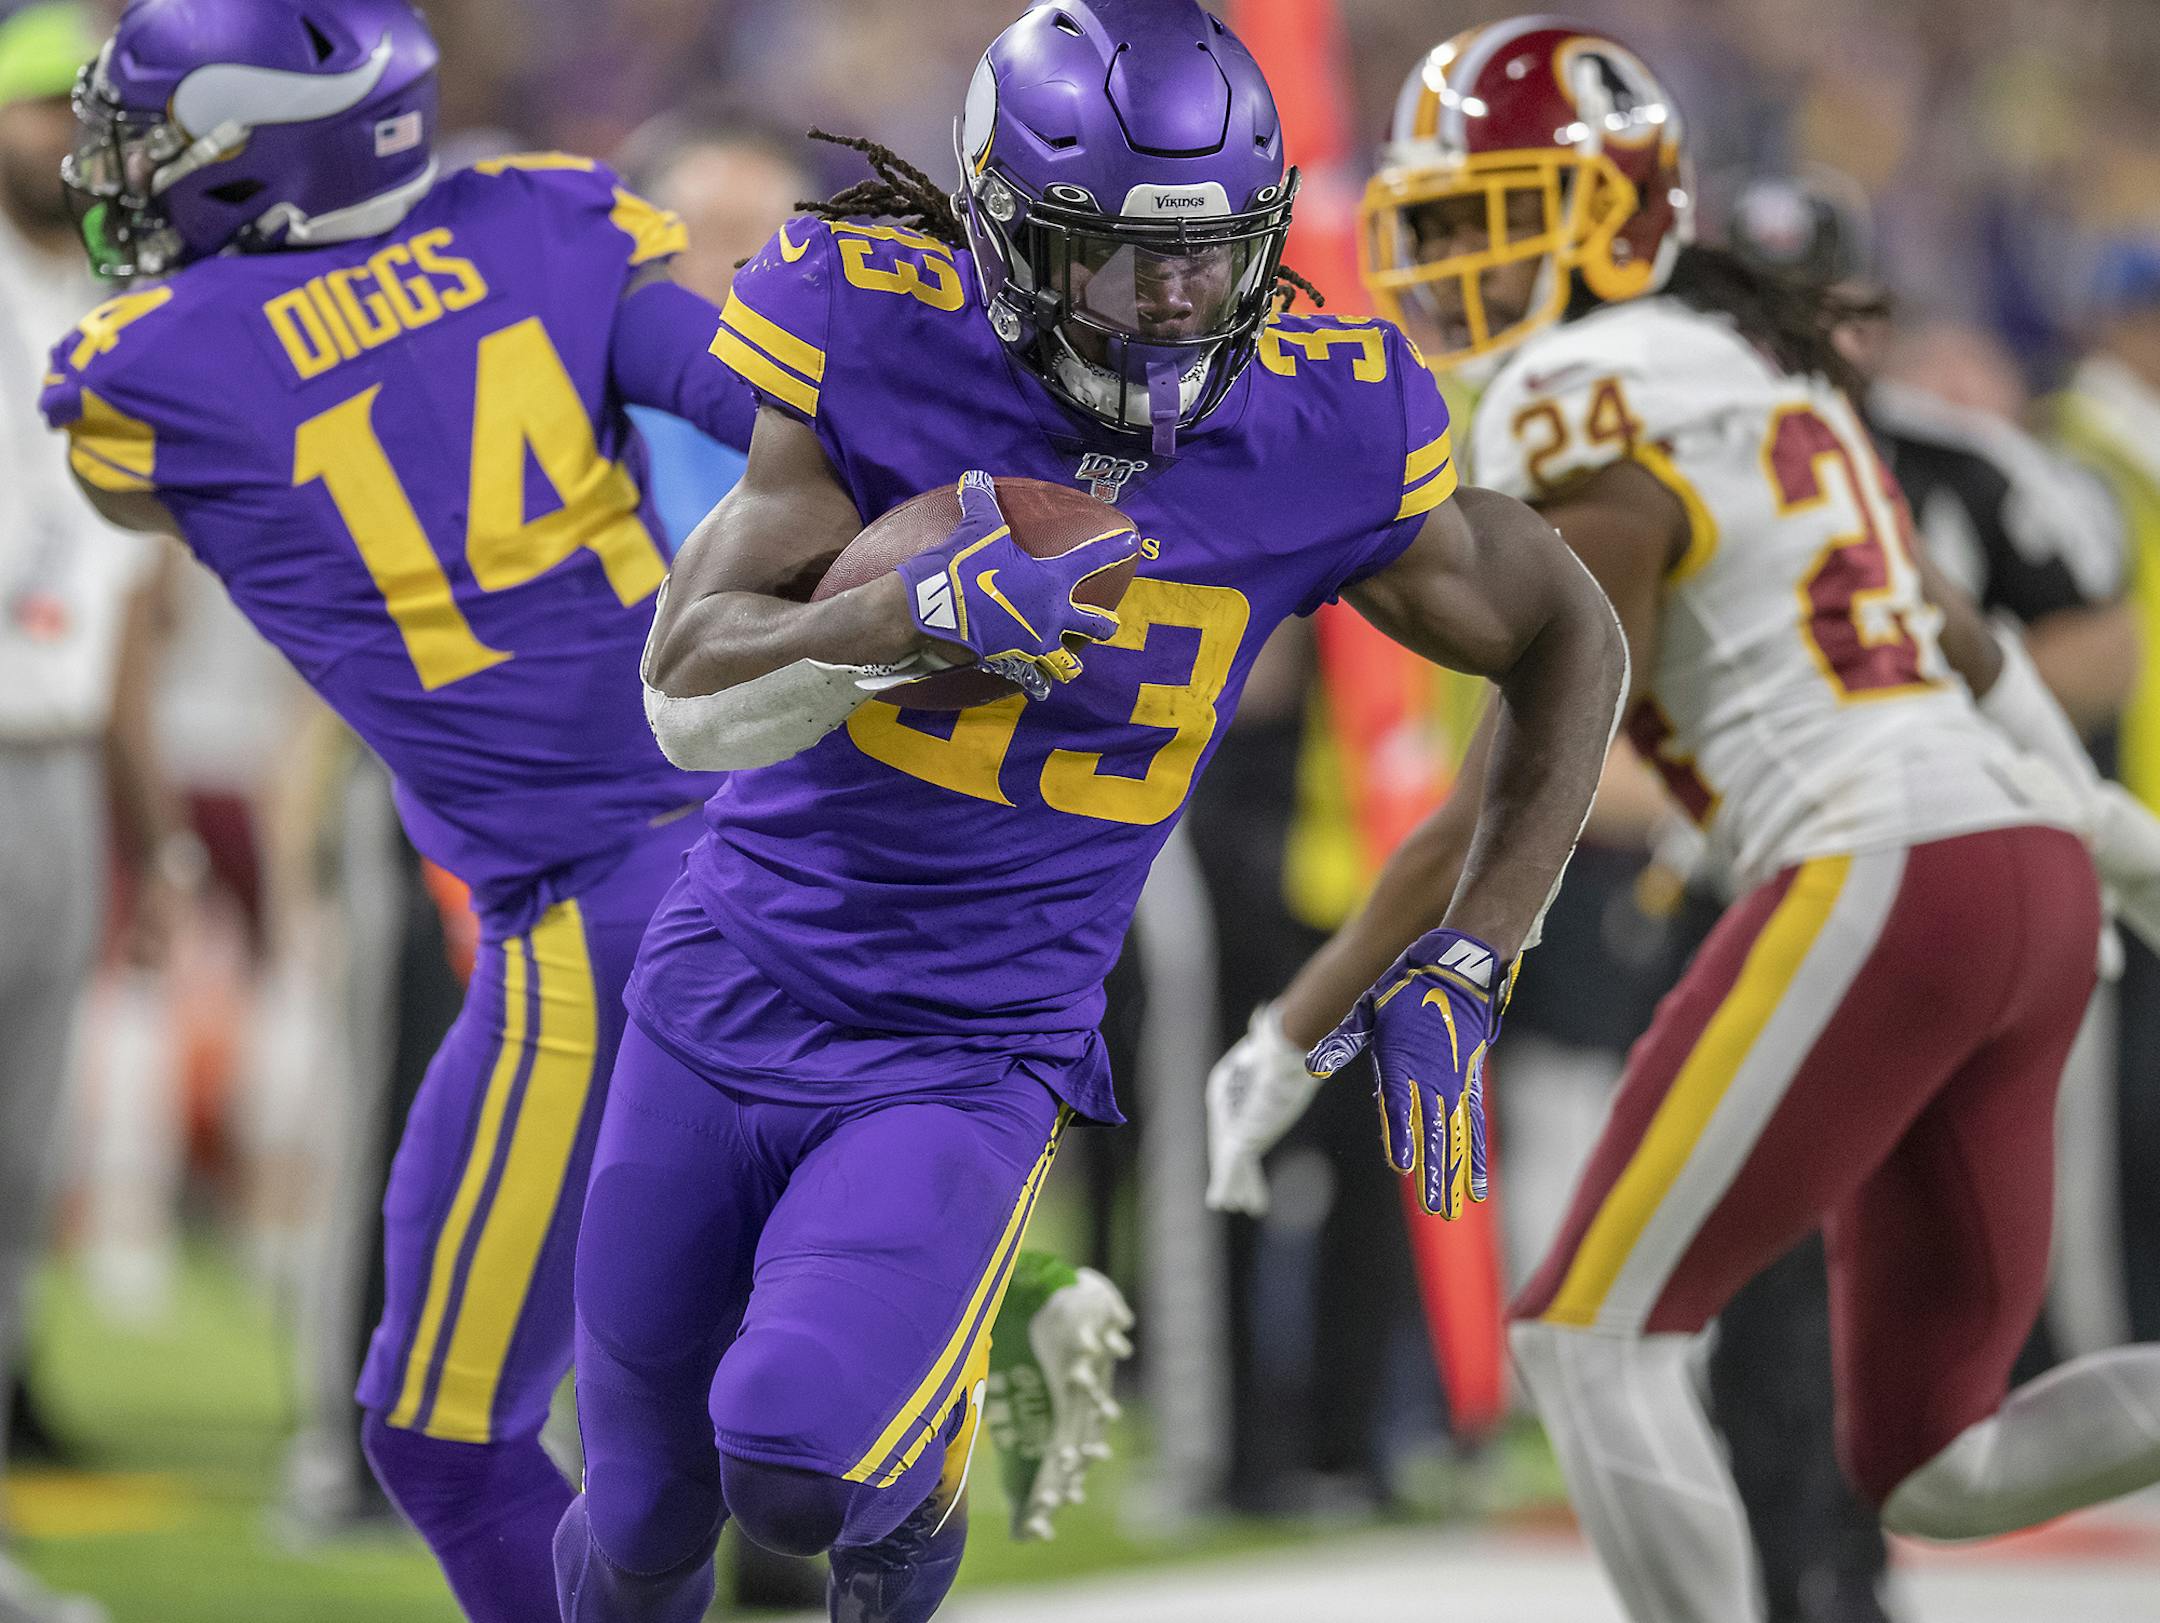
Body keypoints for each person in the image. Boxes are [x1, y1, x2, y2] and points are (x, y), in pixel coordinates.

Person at [549, 4, 1627, 1621]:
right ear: (999, 228)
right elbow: (687, 684)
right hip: (724, 993)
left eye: (1211, 254)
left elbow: (1570, 629)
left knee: (792, 1461)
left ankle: (916, 1499)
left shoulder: (1322, 423)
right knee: (636, 1520)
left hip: (970, 1049)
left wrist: (1480, 945)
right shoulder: (871, 321)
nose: (1176, 300)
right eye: (1117, 255)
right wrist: (894, 624)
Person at [1205, 19, 2160, 1623]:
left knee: (1586, 1335)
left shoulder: (1589, 391)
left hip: (1878, 868)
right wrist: (2106, 839)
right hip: (2015, 876)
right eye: (1434, 222)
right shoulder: (1752, 371)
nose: (1449, 260)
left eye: (1485, 214)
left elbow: (1538, 766)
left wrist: (1290, 1031)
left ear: (1613, 210)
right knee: (1941, 1463)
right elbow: (1961, 639)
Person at [35, 2, 762, 1617]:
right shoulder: (548, 220)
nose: (129, 175)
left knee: (439, 1433)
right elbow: (768, 410)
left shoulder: (147, 372)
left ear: (267, 152)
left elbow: (121, 479)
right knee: (664, 1399)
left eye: (160, 143)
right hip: (760, 843)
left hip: (594, 912)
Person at [0, 7, 175, 1621]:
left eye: (88, 116)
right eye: (40, 109)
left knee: (20, 1153)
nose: (65, 141)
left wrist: (153, 831)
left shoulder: (109, 305)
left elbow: (117, 610)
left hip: (54, 769)